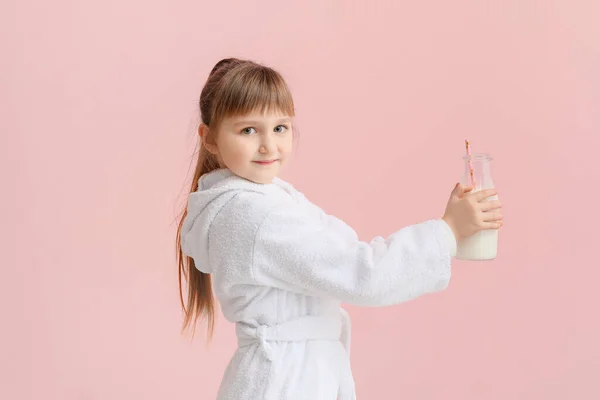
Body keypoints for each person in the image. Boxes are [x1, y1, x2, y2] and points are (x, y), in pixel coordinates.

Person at [175, 57, 503, 400]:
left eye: (280, 127)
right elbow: (361, 273)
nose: (269, 145)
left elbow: (345, 256)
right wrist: (447, 232)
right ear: (209, 138)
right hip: (284, 382)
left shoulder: (267, 201)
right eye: (248, 130)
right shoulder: (256, 216)